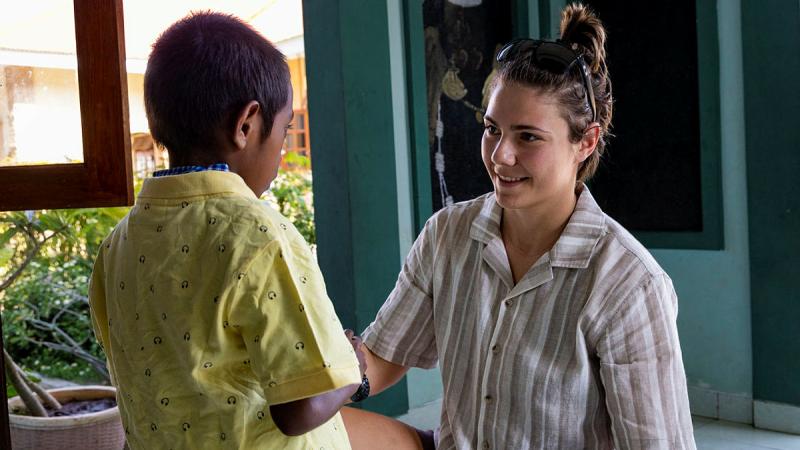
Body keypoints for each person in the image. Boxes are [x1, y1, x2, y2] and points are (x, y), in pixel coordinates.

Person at [355, 3, 697, 449]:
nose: (500, 155)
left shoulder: (629, 284)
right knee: (313, 432)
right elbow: (382, 357)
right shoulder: (446, 235)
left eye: (527, 137)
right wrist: (323, 371)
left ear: (586, 141)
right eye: (493, 129)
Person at [89, 12, 369, 449]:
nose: (281, 150)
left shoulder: (119, 243)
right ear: (246, 125)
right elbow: (299, 408)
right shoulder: (258, 235)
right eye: (285, 129)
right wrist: (352, 368)